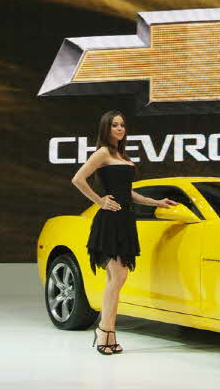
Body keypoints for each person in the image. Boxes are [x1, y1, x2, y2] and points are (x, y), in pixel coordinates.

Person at [71, 109, 179, 355]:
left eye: (122, 125)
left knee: (116, 279)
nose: (119, 128)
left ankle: (108, 333)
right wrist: (100, 201)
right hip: (110, 220)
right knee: (118, 276)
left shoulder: (121, 155)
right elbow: (78, 179)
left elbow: (129, 193)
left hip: (126, 220)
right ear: (106, 128)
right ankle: (105, 330)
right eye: (114, 125)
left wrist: (157, 202)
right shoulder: (102, 153)